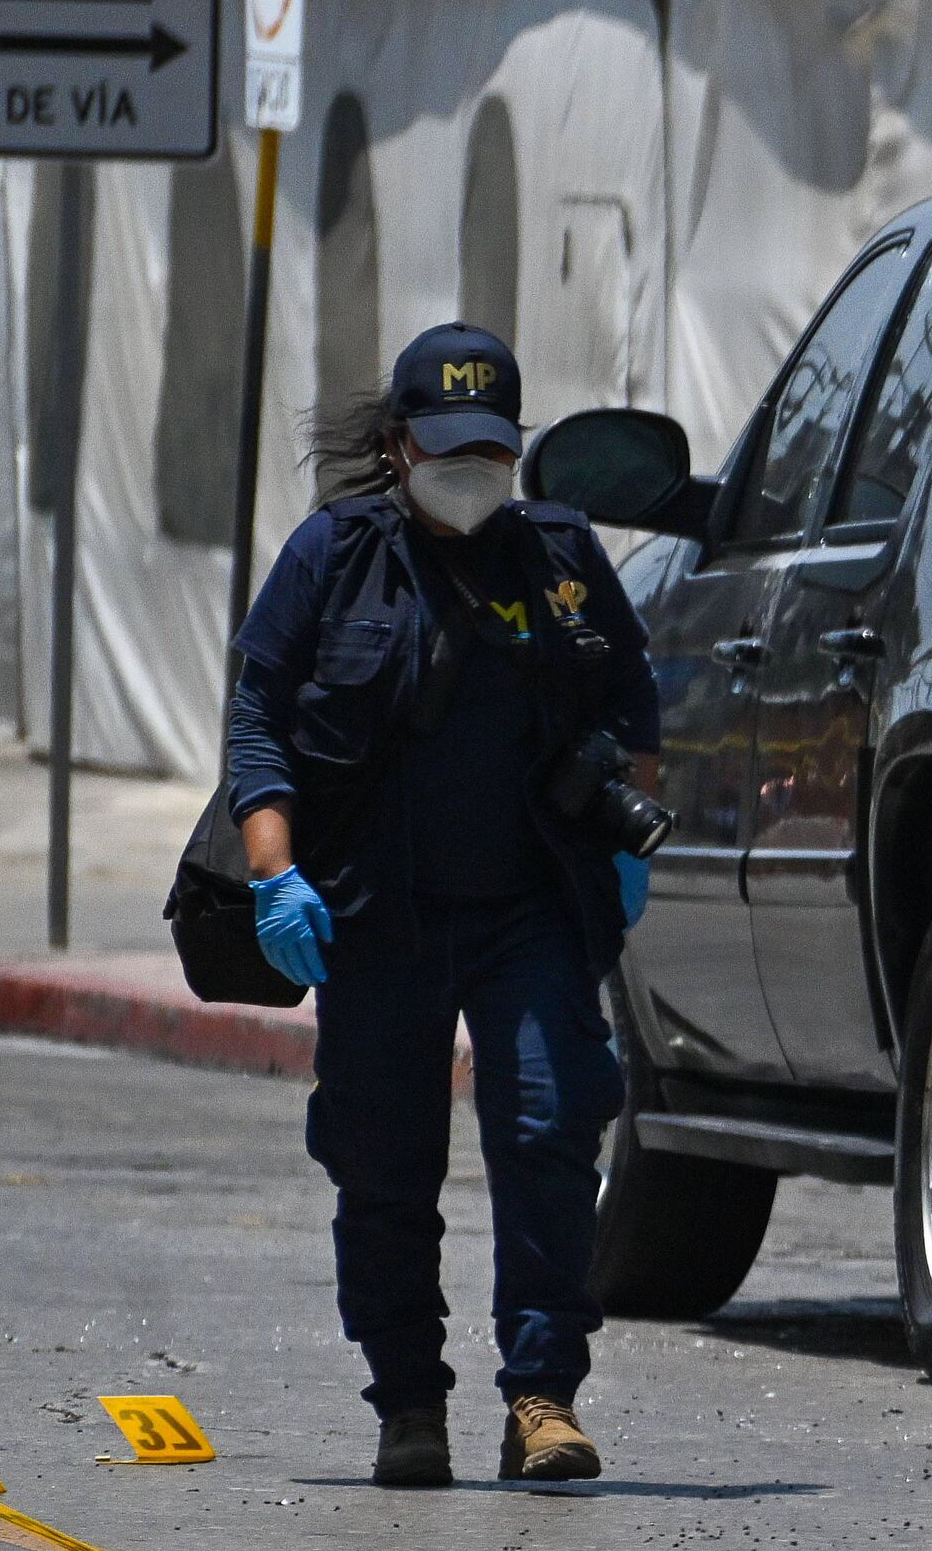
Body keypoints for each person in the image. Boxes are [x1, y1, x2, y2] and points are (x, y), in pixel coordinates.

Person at [226, 324, 665, 1490]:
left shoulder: (560, 558)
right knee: (383, 1160)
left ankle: (541, 1398)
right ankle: (408, 1402)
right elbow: (259, 718)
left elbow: (636, 707)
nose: (470, 471)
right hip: (375, 913)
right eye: (447, 446)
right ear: (396, 444)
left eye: (493, 448)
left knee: (550, 1127)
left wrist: (627, 841)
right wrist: (276, 872)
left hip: (529, 909)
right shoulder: (335, 556)